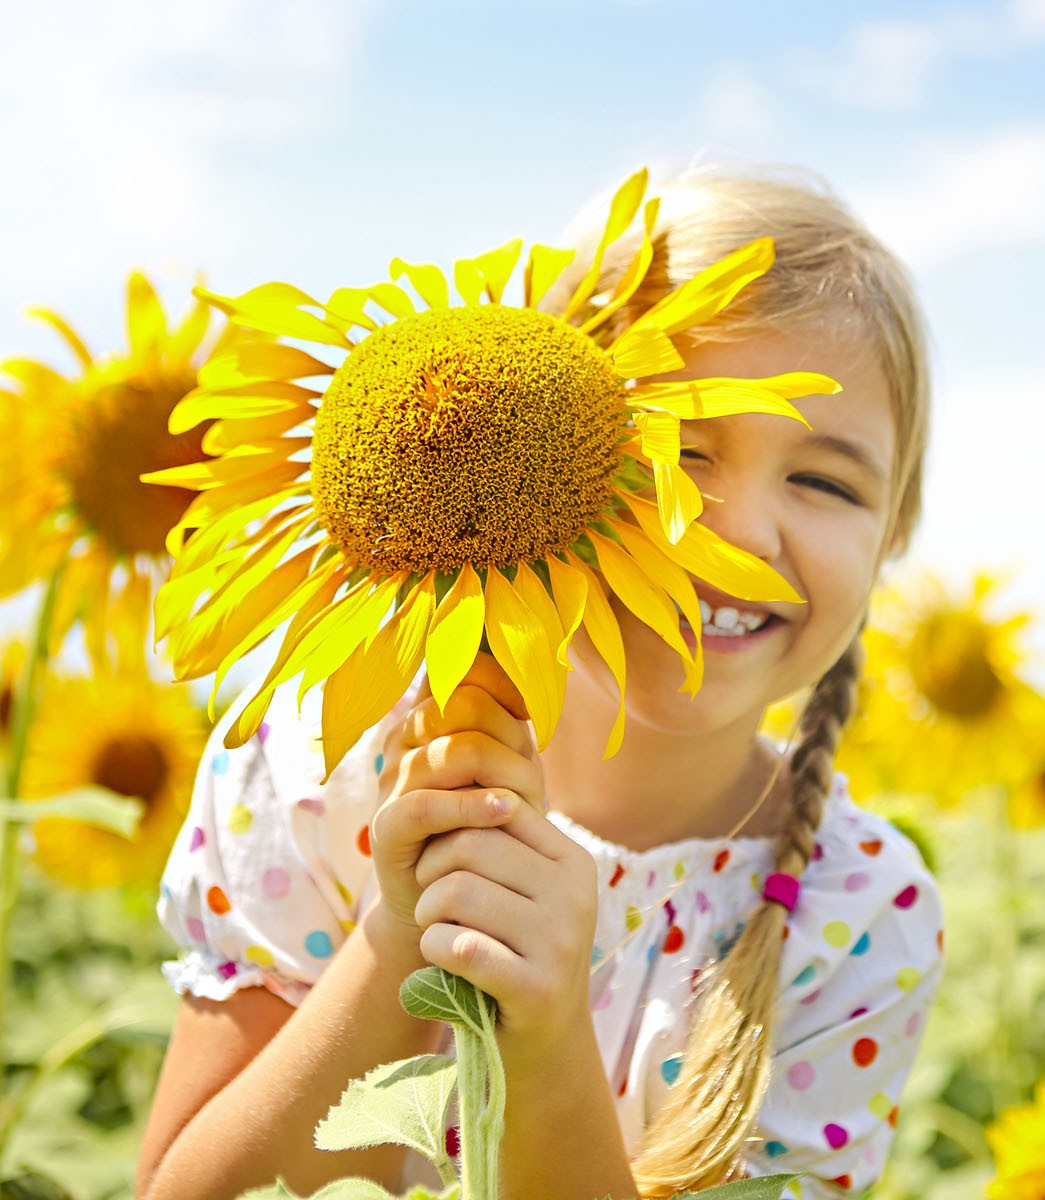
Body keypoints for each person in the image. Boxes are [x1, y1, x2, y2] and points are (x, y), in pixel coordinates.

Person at [135, 165, 941, 1200]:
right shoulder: (320, 778)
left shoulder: (861, 915)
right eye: (680, 448)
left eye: (826, 481)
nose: (737, 532)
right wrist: (396, 946)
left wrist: (549, 1042)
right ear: (534, 436)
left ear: (893, 538)